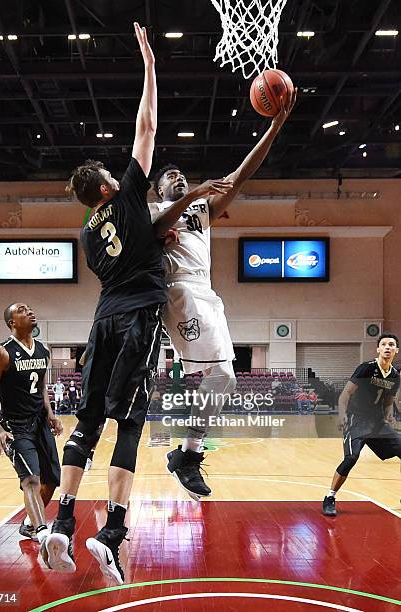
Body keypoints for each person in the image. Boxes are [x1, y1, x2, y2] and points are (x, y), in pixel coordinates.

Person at [43, 22, 232, 582]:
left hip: (99, 320)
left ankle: (62, 522)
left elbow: (139, 241)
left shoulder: (85, 234)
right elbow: (145, 124)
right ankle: (112, 531)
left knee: (87, 424)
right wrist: (149, 63)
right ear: (105, 185)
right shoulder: (127, 196)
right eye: (111, 172)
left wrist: (157, 231)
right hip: (136, 321)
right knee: (128, 424)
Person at [151, 90, 296, 500]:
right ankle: (189, 454)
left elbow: (241, 175)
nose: (179, 178)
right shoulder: (155, 212)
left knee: (224, 377)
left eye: (182, 175)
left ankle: (187, 453)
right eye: (170, 177)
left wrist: (274, 127)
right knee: (223, 375)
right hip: (179, 292)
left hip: (205, 294)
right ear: (157, 189)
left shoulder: (201, 213)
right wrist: (194, 193)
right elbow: (156, 230)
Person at [0, 303, 63, 556]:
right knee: (31, 480)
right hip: (16, 426)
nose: (30, 311)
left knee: (52, 480)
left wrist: (50, 413)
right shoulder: (2, 353)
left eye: (30, 308)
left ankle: (28, 525)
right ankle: (43, 533)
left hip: (39, 422)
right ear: (12, 322)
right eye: (22, 310)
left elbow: (42, 386)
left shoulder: (43, 350)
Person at [323, 334, 400, 516]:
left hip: (378, 425)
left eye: (391, 345)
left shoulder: (395, 375)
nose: (387, 347)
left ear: (396, 350)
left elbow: (389, 400)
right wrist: (342, 416)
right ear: (378, 349)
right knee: (351, 458)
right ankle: (330, 497)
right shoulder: (366, 369)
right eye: (384, 344)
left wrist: (389, 416)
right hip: (356, 421)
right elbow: (345, 394)